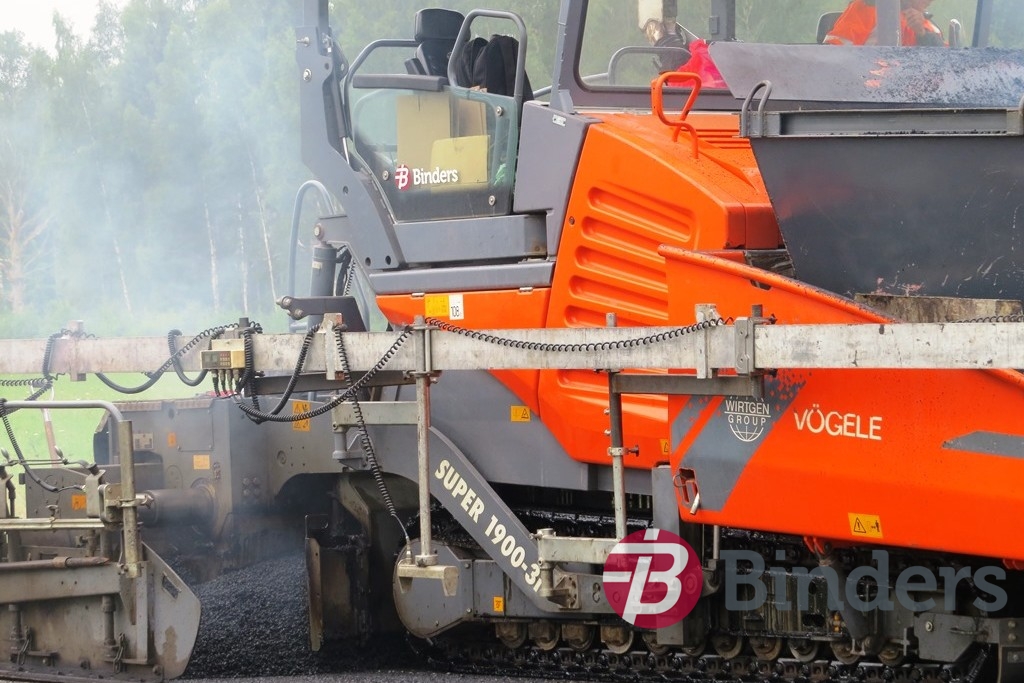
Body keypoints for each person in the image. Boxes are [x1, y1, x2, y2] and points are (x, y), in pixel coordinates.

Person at [824, 0, 944, 46]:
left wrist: (922, 33)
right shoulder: (865, 9)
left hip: (912, 92)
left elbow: (942, 61)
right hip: (867, 89)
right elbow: (835, 56)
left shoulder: (928, 26)